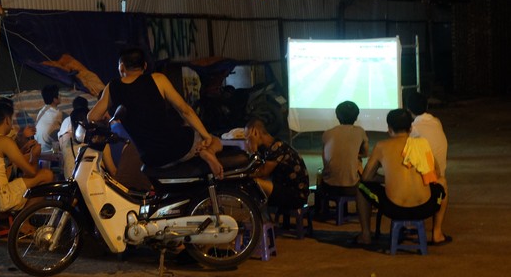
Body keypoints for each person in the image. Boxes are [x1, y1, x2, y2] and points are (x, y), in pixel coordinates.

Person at [87, 47, 224, 178]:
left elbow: (92, 117)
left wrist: (105, 121)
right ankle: (207, 152)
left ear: (122, 67)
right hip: (179, 147)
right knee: (217, 141)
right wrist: (206, 137)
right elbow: (185, 110)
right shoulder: (158, 79)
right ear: (145, 66)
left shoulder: (113, 87)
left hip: (152, 159)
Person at [355, 108, 446, 245]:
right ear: (410, 128)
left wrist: (387, 179)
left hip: (394, 209)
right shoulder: (422, 144)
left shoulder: (381, 146)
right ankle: (437, 233)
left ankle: (366, 234)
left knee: (361, 187)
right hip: (425, 208)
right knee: (442, 181)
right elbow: (436, 174)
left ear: (389, 128)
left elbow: (366, 177)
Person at [0, 102, 54, 213]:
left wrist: (22, 151)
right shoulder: (4, 140)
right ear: (7, 120)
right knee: (46, 175)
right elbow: (32, 173)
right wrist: (34, 156)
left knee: (22, 163)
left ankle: (19, 217)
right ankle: (24, 221)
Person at [406, 91, 451, 245]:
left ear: (408, 109)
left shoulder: (413, 129)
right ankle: (437, 231)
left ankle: (410, 224)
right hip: (439, 182)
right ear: (426, 106)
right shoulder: (436, 122)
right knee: (443, 182)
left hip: (424, 185)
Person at [244, 119, 310, 210]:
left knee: (255, 182)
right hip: (284, 188)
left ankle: (265, 221)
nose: (247, 141)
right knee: (252, 185)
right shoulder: (268, 148)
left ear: (256, 133)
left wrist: (253, 149)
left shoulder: (277, 147)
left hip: (296, 195)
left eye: (249, 138)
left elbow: (262, 173)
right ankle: (263, 220)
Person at [319, 101, 369, 206]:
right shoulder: (360, 131)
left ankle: (322, 210)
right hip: (352, 187)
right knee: (359, 165)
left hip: (329, 186)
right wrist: (354, 155)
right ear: (356, 117)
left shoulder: (327, 133)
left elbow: (325, 159)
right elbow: (365, 154)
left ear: (337, 116)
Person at [34, 84, 63, 153]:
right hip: (49, 151)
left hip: (39, 149)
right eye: (59, 95)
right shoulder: (58, 113)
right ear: (54, 99)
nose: (61, 97)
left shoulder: (41, 111)